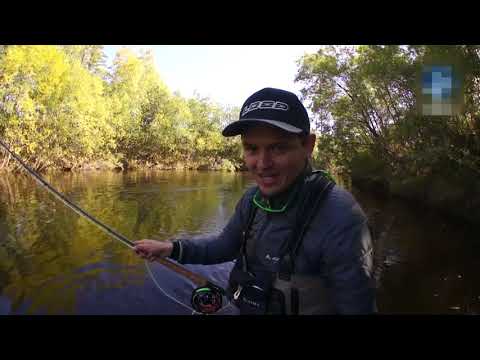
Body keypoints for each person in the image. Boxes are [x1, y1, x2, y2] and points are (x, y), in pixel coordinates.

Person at [134, 87, 377, 315]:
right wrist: (170, 248)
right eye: (251, 149)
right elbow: (225, 246)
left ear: (308, 146)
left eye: (278, 148)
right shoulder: (253, 199)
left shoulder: (342, 217)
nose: (262, 164)